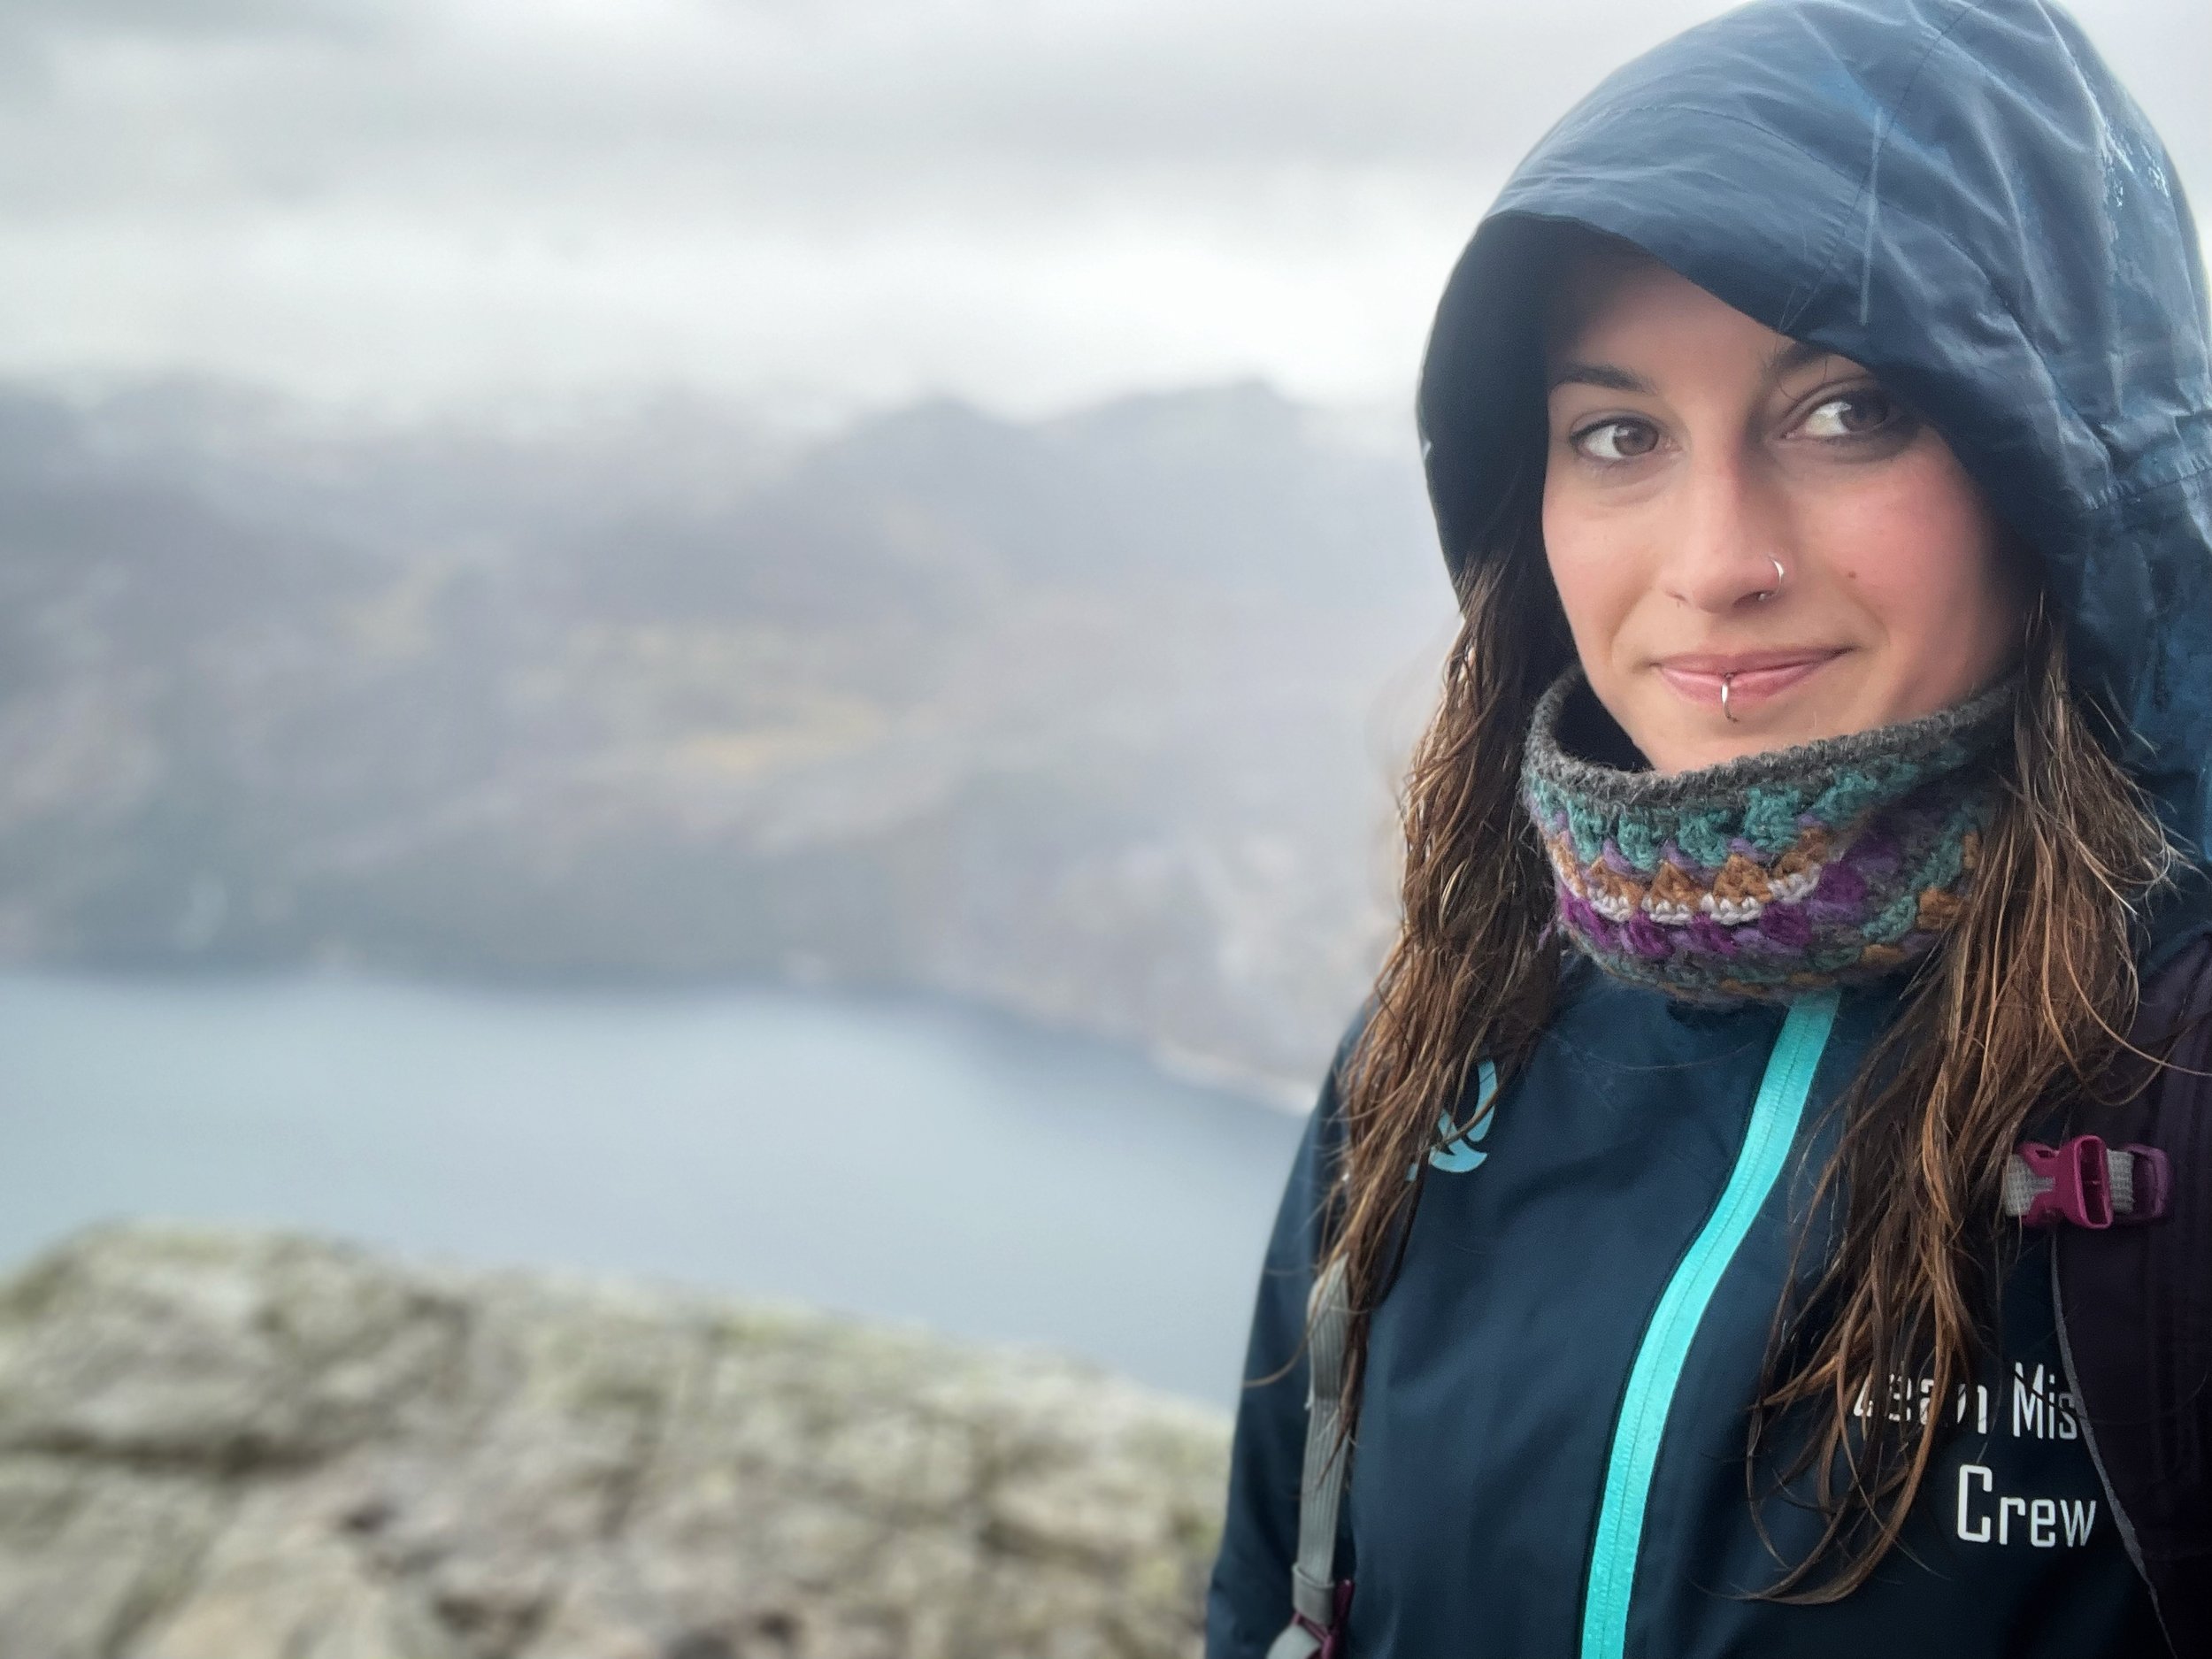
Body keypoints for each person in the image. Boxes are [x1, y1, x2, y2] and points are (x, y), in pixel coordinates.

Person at [1205, 1, 2212, 1655]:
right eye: (1620, 436)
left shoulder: (2169, 1078)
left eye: (1848, 413)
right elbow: (1269, 1596)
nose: (1716, 559)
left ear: (2061, 459)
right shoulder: (1448, 1041)